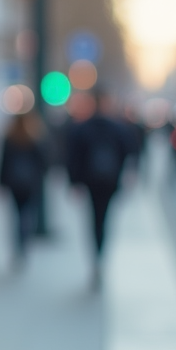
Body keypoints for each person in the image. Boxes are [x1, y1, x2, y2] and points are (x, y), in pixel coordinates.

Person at [67, 89, 133, 288]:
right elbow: (128, 154)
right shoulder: (117, 128)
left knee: (95, 220)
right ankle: (100, 255)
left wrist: (75, 182)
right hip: (108, 181)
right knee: (103, 219)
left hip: (93, 181)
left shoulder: (83, 128)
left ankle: (97, 257)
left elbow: (73, 157)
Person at [0, 111, 49, 268]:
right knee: (27, 215)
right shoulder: (34, 137)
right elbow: (43, 162)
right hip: (30, 183)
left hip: (15, 183)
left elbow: (3, 163)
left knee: (17, 215)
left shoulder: (10, 138)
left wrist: (1, 183)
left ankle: (18, 246)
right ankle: (24, 244)